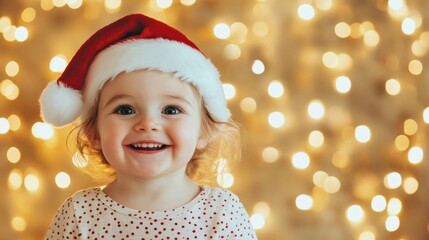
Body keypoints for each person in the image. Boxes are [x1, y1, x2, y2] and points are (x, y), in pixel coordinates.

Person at [40, 14, 257, 239]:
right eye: (125, 110)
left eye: (171, 110)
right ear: (93, 131)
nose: (147, 124)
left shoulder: (222, 213)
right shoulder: (79, 214)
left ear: (204, 130)